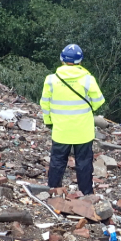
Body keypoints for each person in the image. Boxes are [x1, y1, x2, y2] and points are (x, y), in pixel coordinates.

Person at [41, 44, 105, 195]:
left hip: (61, 130)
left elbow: (45, 104)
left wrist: (48, 121)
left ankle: (53, 191)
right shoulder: (88, 79)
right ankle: (86, 194)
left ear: (62, 59)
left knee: (57, 161)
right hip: (83, 131)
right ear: (80, 61)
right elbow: (99, 101)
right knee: (83, 163)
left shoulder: (51, 80)